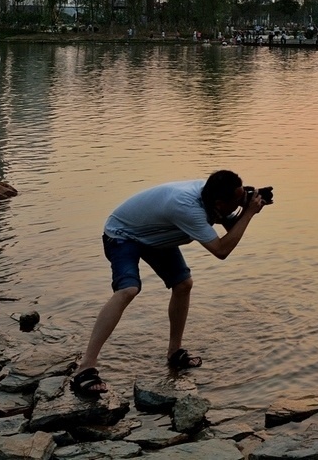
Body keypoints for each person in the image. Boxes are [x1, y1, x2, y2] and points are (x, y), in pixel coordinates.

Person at [70, 170, 271, 397]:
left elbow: (228, 225)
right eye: (235, 201)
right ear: (219, 201)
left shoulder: (212, 196)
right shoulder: (187, 207)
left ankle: (174, 353)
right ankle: (85, 367)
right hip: (123, 234)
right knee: (128, 289)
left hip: (154, 236)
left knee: (183, 284)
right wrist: (249, 213)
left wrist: (245, 205)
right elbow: (221, 250)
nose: (238, 204)